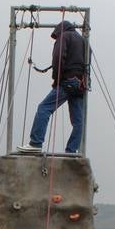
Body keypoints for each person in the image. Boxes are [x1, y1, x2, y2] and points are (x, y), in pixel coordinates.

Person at [28, 20, 86, 154]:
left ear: (60, 30)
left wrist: (56, 79)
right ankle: (71, 151)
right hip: (80, 84)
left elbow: (58, 57)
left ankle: (35, 143)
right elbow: (87, 61)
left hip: (67, 81)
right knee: (78, 120)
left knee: (44, 108)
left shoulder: (64, 36)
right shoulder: (83, 40)